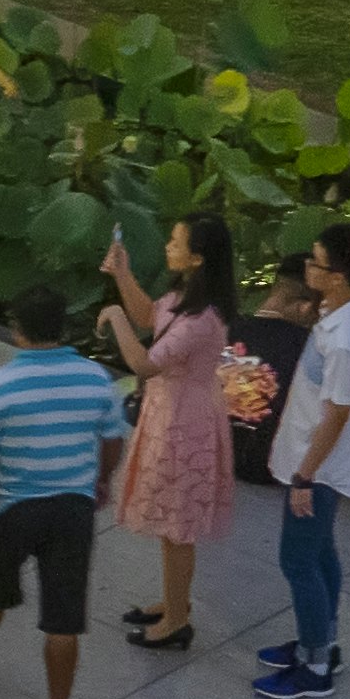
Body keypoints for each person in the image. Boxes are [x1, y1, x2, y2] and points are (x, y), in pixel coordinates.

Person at [0, 282, 128, 699]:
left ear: (17, 331)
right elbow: (112, 439)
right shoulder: (95, 379)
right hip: (72, 509)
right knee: (63, 617)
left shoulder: (1, 385)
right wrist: (102, 479)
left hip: (13, 507)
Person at [96, 205, 240, 655]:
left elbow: (143, 362)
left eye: (176, 243)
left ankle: (178, 620)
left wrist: (114, 317)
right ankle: (172, 602)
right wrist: (123, 274)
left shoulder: (202, 320)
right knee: (170, 523)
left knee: (179, 527)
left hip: (186, 426)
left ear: (197, 258)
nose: (168, 246)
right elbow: (149, 317)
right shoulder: (185, 296)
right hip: (170, 413)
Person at [257, 218, 350, 699]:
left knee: (298, 560)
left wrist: (306, 475)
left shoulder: (346, 338)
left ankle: (313, 665)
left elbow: (338, 412)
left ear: (336, 275)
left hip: (319, 467)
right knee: (321, 552)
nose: (307, 265)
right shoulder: (347, 310)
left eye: (315, 261)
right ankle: (323, 642)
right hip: (313, 460)